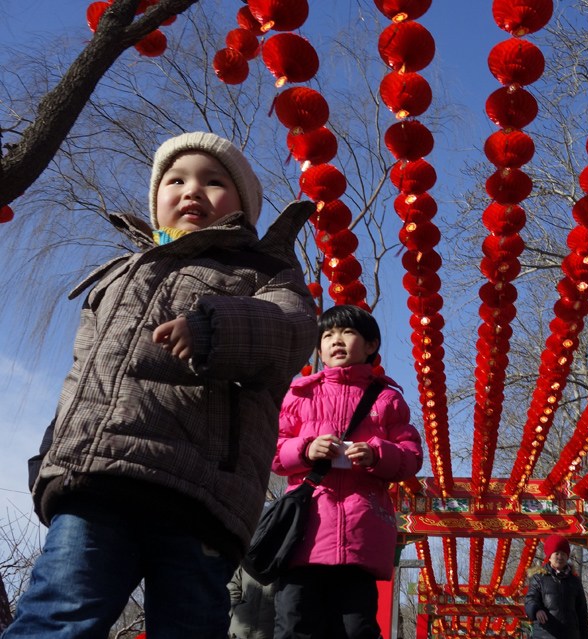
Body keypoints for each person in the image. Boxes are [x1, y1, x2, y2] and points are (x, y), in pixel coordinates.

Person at [5, 131, 318, 639]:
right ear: (157, 201)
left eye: (214, 182)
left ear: (244, 207)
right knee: (58, 613)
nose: (192, 190)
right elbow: (81, 377)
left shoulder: (262, 271)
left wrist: (215, 328)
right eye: (176, 180)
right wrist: (52, 457)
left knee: (189, 624)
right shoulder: (119, 275)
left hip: (200, 488)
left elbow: (292, 330)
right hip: (97, 478)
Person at [271, 304, 423, 639]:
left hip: (359, 539)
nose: (335, 340)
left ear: (371, 345)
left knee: (357, 629)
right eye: (327, 335)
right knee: (296, 625)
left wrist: (377, 453)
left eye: (346, 332)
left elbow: (411, 456)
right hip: (303, 536)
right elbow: (273, 449)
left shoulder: (387, 400)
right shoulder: (300, 394)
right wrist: (306, 449)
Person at [524, 534, 588, 639]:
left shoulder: (575, 582)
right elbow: (530, 599)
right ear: (549, 557)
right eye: (557, 553)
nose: (560, 557)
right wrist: (536, 610)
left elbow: (582, 613)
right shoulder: (539, 578)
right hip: (545, 634)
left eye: (564, 554)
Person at [229, 565, 277, 639]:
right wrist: (231, 613)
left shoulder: (285, 560)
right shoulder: (246, 557)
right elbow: (233, 586)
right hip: (239, 630)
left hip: (269, 632)